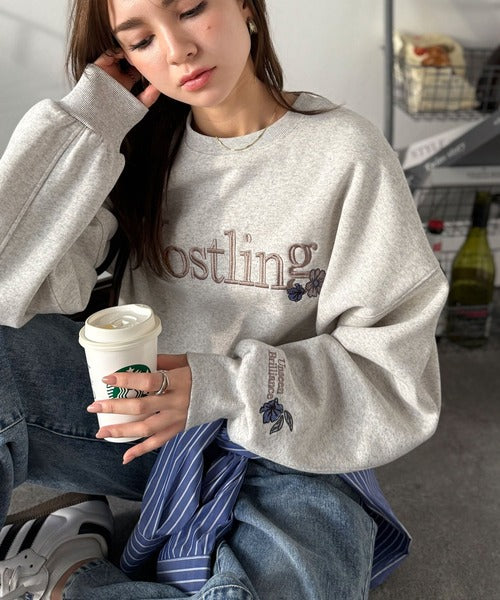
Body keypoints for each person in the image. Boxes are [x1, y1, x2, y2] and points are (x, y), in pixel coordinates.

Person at [0, 0, 448, 598]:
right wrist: (89, 120)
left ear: (244, 6)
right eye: (140, 41)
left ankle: (70, 572)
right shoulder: (131, 149)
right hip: (141, 428)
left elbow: (396, 375)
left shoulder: (346, 152)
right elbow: (7, 283)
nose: (177, 50)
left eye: (189, 9)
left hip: (289, 451)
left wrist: (224, 385)